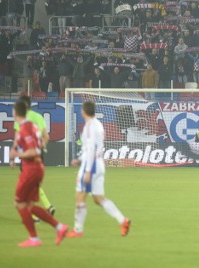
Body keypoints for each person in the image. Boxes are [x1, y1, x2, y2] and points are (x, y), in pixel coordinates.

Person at [65, 101, 131, 238]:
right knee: (98, 198)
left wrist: (87, 170)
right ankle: (122, 220)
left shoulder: (90, 127)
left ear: (83, 111)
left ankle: (77, 230)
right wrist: (80, 160)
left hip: (91, 166)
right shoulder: (98, 125)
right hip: (98, 164)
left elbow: (91, 150)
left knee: (80, 196)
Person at [10, 100, 69, 247]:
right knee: (29, 204)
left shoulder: (25, 128)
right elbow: (43, 140)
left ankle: (34, 239)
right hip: (36, 167)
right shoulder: (33, 126)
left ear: (16, 112)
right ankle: (59, 228)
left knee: (19, 203)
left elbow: (33, 151)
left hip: (31, 168)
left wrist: (16, 154)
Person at [11, 96, 55, 218]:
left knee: (27, 186)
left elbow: (17, 139)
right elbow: (46, 136)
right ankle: (48, 206)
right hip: (38, 154)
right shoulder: (38, 117)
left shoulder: (21, 120)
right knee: (34, 184)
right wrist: (40, 147)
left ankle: (35, 216)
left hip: (26, 156)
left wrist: (13, 157)